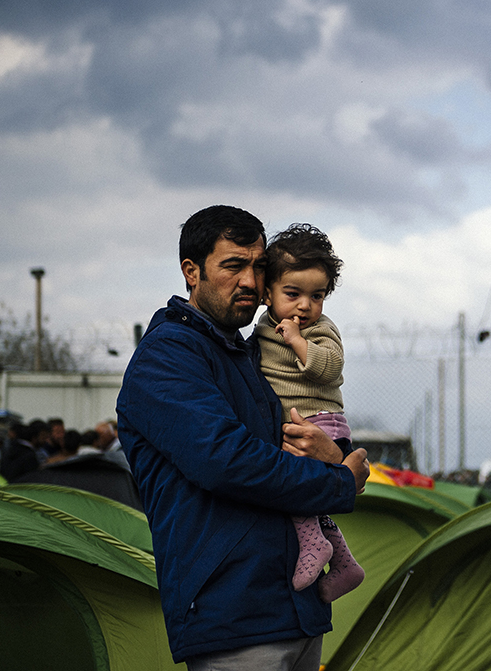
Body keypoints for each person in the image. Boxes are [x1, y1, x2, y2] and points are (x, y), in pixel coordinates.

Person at [117, 205, 369, 670]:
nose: (250, 281)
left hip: (296, 609)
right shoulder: (168, 356)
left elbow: (303, 428)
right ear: (191, 271)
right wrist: (338, 481)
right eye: (233, 265)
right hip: (233, 615)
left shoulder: (249, 353)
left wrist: (337, 455)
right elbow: (227, 460)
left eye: (258, 267)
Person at [254, 223, 364, 604]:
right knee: (312, 502)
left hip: (320, 423)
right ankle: (345, 564)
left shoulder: (320, 330)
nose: (305, 306)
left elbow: (331, 367)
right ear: (267, 293)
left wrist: (300, 342)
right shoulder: (263, 328)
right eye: (293, 294)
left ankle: (314, 545)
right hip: (299, 423)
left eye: (316, 296)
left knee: (291, 488)